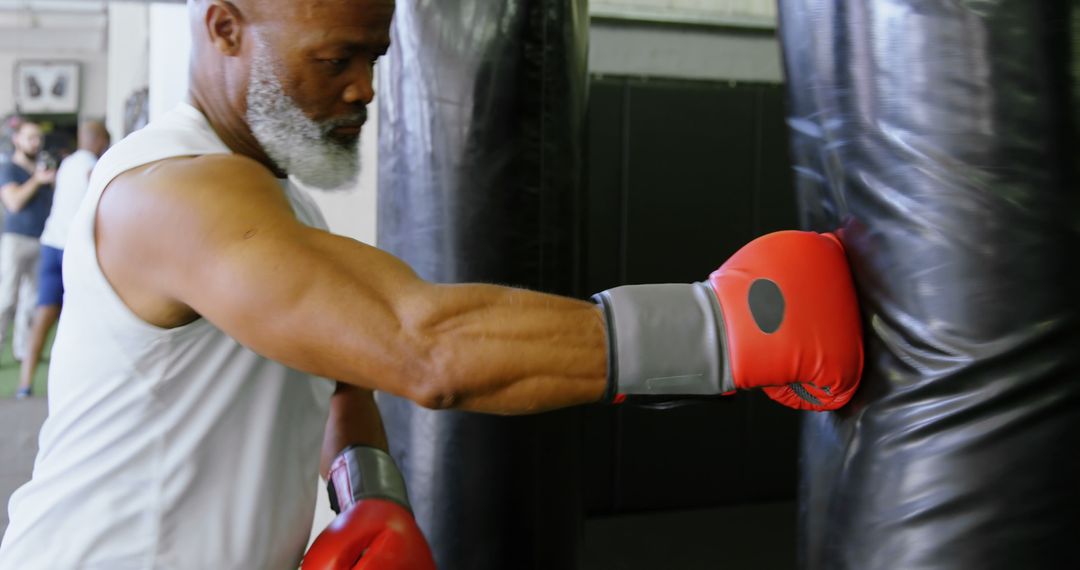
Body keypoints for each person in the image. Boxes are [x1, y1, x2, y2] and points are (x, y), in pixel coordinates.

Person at [0, 1, 864, 568]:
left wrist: (367, 498)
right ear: (225, 27)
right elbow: (423, 348)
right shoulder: (175, 194)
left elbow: (342, 378)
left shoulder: (270, 193)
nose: (365, 88)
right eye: (337, 57)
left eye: (376, 56)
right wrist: (725, 328)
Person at [14, 120, 110, 399]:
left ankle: (25, 384)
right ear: (102, 141)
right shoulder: (94, 166)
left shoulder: (66, 164)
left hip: (50, 243)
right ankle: (79, 387)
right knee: (81, 319)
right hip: (73, 250)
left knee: (43, 314)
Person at [0, 120, 55, 376]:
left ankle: (23, 352)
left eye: (38, 138)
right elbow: (13, 203)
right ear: (17, 140)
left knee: (30, 302)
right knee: (6, 299)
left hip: (41, 239)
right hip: (16, 239)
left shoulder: (44, 168)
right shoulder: (9, 168)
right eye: (30, 138)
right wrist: (37, 180)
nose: (35, 142)